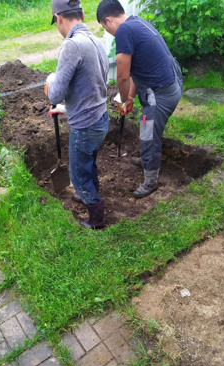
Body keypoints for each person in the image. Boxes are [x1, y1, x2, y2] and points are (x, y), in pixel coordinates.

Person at [97, 0, 183, 198]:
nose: (107, 32)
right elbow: (137, 70)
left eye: (104, 27)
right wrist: (131, 97)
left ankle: (151, 181)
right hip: (170, 84)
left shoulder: (124, 31)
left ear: (108, 20)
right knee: (148, 131)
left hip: (161, 93)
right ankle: (147, 159)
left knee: (148, 135)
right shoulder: (136, 22)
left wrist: (124, 100)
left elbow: (123, 76)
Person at [44, 0, 109, 229]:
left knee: (79, 176)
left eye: (56, 23)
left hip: (85, 126)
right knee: (89, 163)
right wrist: (66, 108)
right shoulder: (96, 40)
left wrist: (49, 86)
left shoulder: (72, 45)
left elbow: (56, 93)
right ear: (81, 14)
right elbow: (94, 84)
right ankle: (89, 193)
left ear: (59, 18)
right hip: (101, 118)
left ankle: (96, 218)